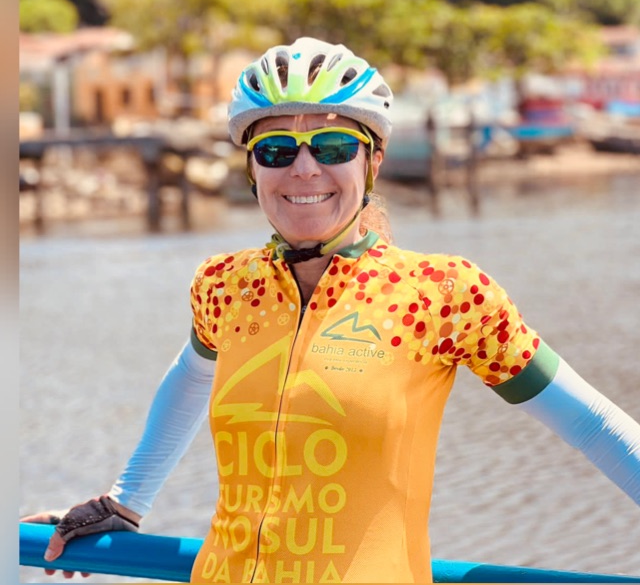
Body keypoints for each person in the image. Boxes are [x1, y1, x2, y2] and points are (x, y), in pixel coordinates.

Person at [22, 37, 640, 584]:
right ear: (251, 169)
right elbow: (191, 376)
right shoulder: (224, 285)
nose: (304, 168)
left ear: (372, 163)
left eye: (334, 145)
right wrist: (126, 500)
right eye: (276, 150)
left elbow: (595, 426)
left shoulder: (445, 294)